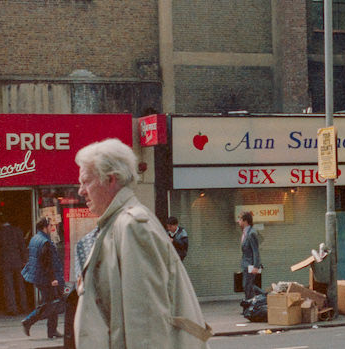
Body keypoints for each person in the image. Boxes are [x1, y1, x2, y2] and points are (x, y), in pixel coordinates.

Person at [73, 138, 211, 348]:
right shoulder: (116, 225)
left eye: (86, 181)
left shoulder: (132, 226)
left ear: (111, 180)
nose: (81, 191)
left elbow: (147, 321)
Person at [22, 217, 65, 339]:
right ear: (44, 227)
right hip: (47, 278)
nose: (52, 228)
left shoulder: (35, 239)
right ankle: (29, 321)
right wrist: (53, 279)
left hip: (39, 277)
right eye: (50, 225)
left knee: (53, 303)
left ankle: (52, 330)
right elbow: (47, 263)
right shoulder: (45, 242)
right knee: (51, 304)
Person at [0, 216, 28, 317]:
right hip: (18, 260)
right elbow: (22, 246)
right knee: (20, 284)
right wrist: (25, 260)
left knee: (9, 286)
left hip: (5, 261)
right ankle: (23, 306)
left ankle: (12, 308)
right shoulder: (17, 231)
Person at [238, 211, 261, 299]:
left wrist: (256, 266)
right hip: (246, 264)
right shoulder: (245, 233)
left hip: (251, 265)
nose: (238, 222)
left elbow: (255, 251)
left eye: (240, 219)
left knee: (247, 286)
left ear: (245, 221)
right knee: (247, 286)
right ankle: (249, 307)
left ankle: (265, 296)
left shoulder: (251, 233)